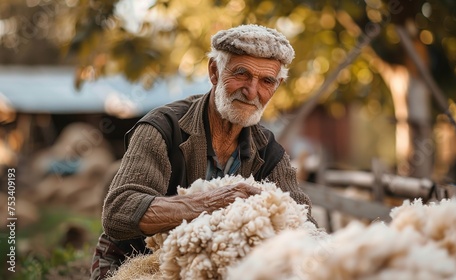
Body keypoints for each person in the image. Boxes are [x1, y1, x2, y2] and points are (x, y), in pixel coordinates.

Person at [90, 24, 317, 279]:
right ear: (214, 71)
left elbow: (303, 223)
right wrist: (212, 202)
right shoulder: (163, 127)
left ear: (277, 86)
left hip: (207, 270)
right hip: (137, 263)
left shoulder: (268, 151)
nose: (252, 91)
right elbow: (118, 211)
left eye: (266, 81)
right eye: (241, 74)